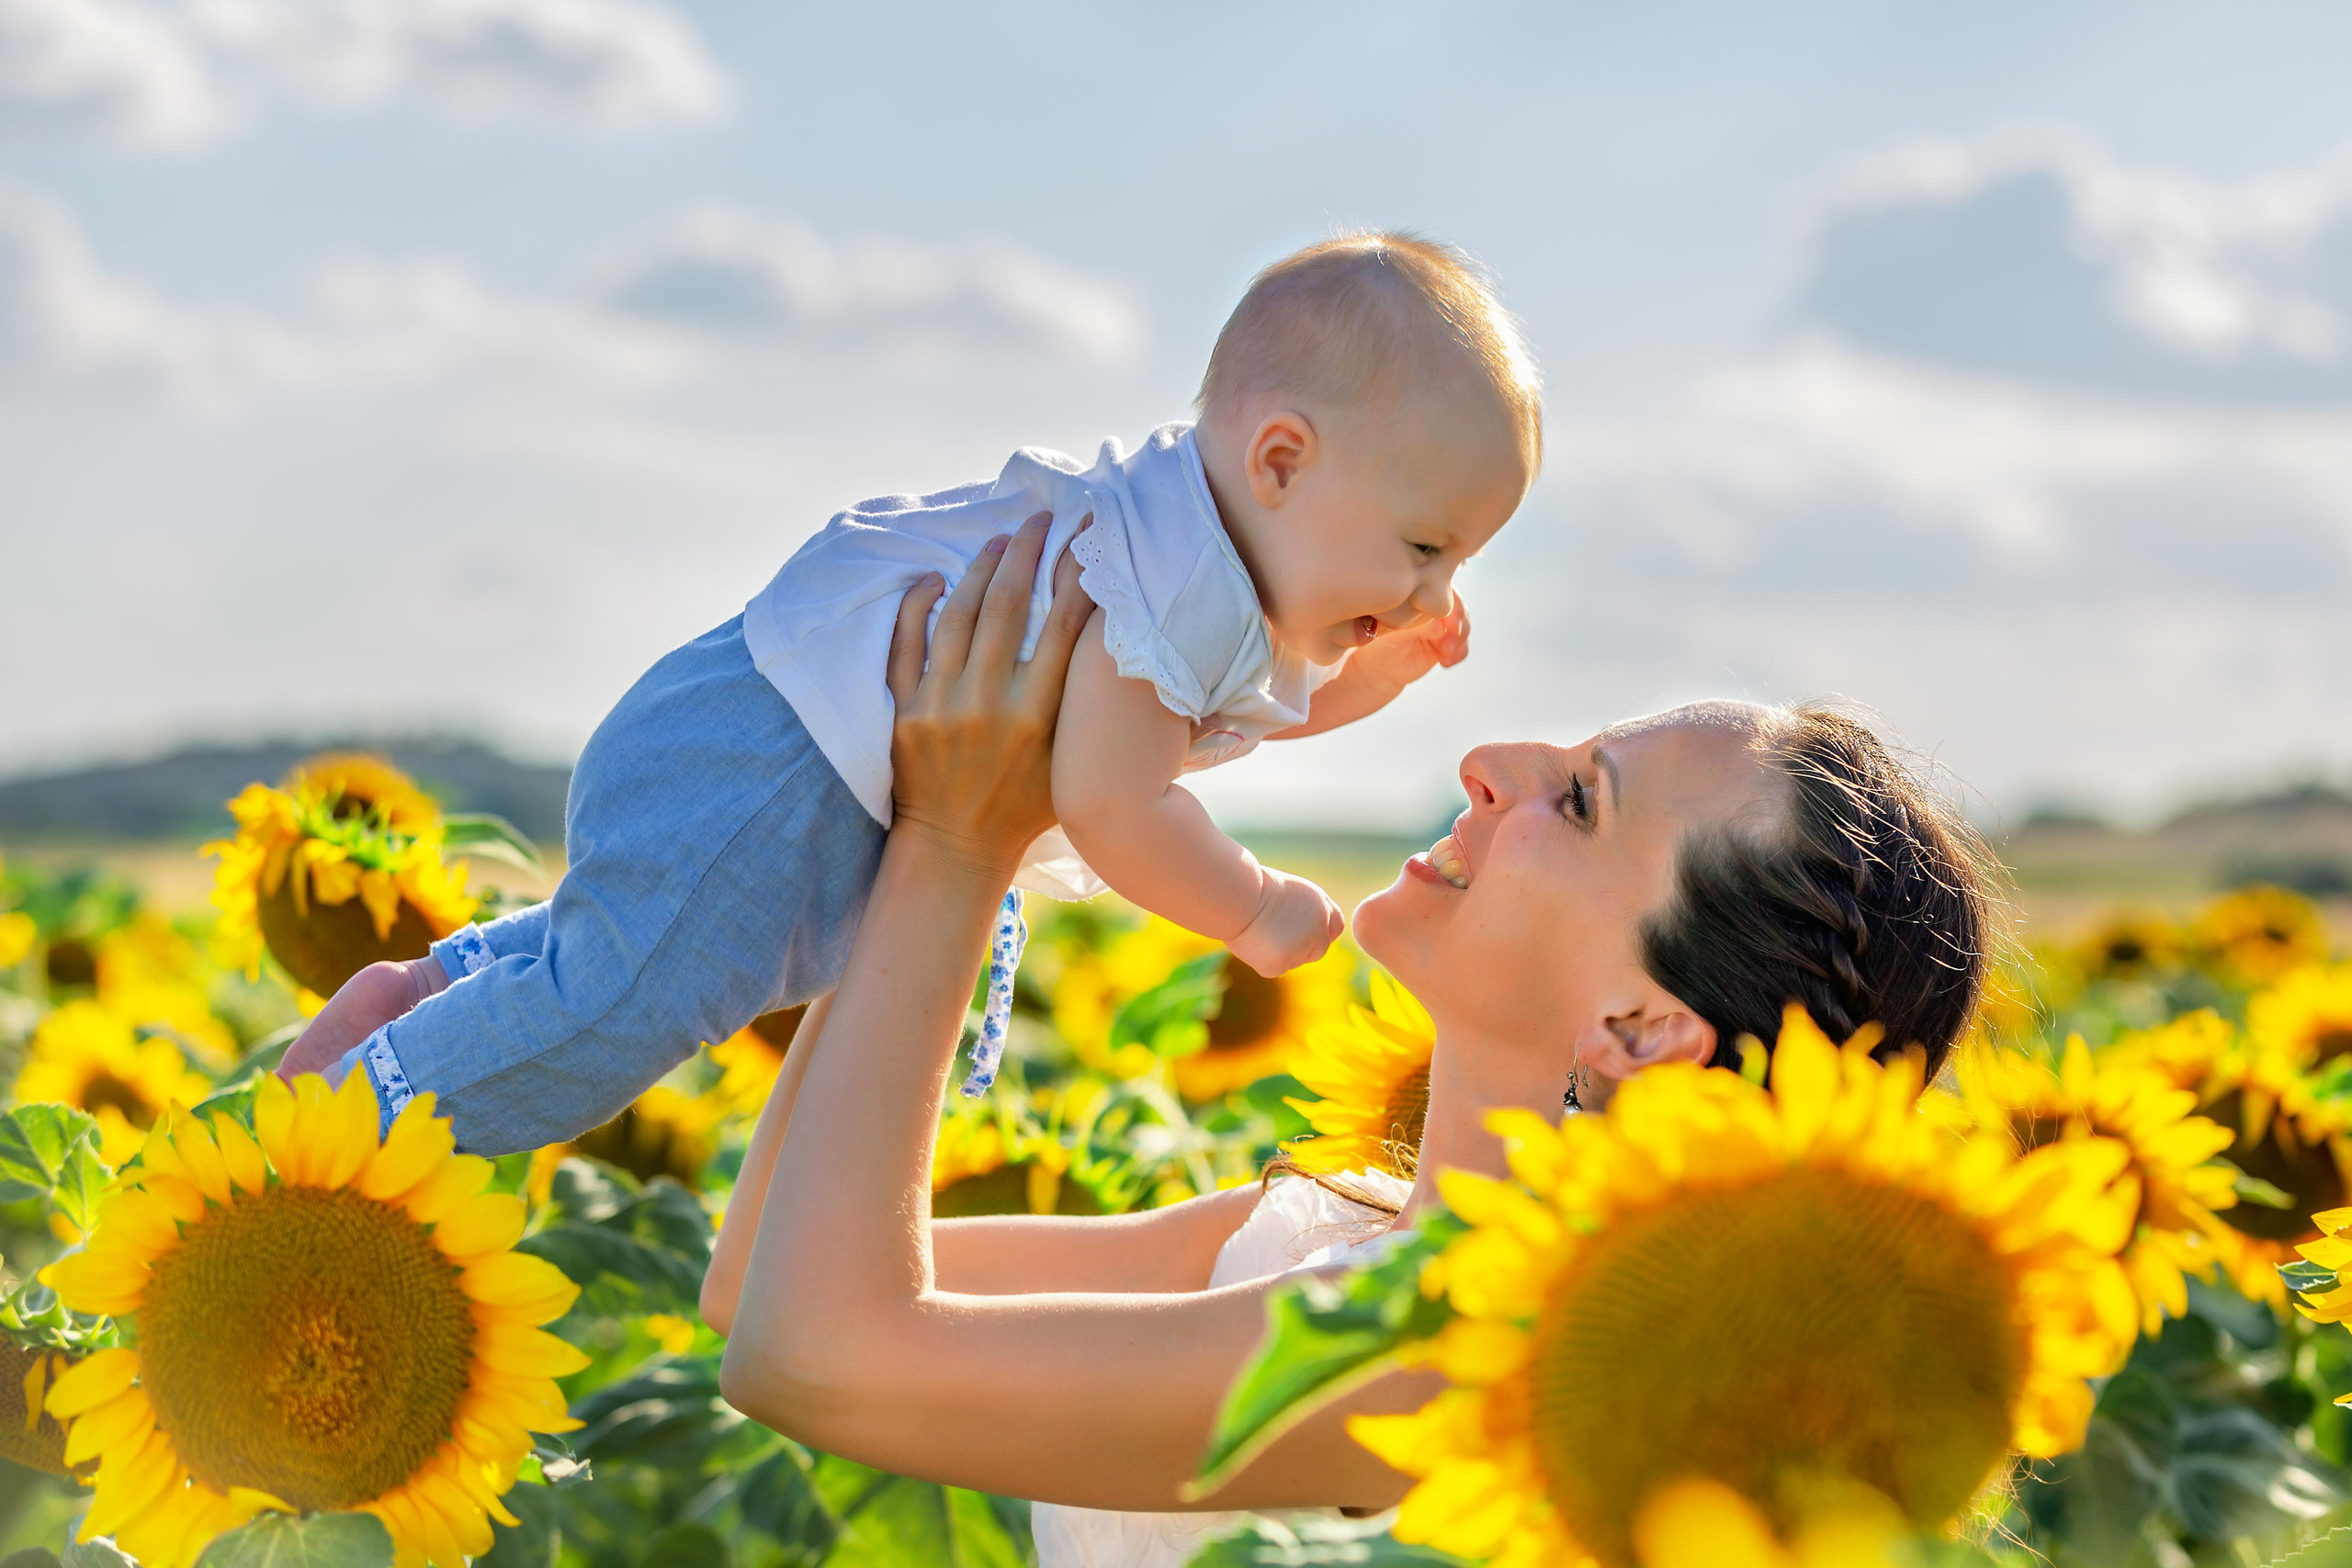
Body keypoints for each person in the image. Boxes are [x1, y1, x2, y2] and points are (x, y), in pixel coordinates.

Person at [700, 524, 1999, 1564]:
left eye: (1583, 799)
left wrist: (956, 844)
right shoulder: (1349, 1236)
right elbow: (756, 1287)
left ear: (1641, 1025)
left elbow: (813, 1359)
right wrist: (958, 824)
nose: (1493, 761)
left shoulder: (1454, 1367)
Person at [278, 231, 1543, 1151]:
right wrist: (1254, 911)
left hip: (766, 747)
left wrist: (1364, 671)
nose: (1436, 595)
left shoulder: (1187, 557)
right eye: (1424, 549)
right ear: (1281, 460)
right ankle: (339, 1128)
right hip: (768, 774)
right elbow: (1118, 801)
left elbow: (1210, 721)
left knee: (606, 967)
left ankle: (425, 996)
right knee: (616, 1015)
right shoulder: (1169, 584)